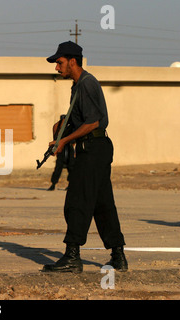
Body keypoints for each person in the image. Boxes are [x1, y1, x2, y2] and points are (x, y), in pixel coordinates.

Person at [42, 41, 127, 273]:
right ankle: (118, 255)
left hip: (92, 148)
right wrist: (62, 126)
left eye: (59, 63)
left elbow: (93, 122)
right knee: (102, 203)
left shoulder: (87, 84)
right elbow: (82, 119)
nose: (57, 68)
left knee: (77, 201)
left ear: (72, 61)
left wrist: (64, 141)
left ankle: (72, 256)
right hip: (95, 148)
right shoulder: (78, 85)